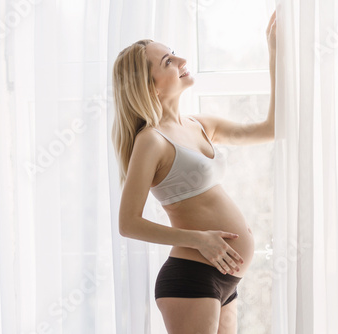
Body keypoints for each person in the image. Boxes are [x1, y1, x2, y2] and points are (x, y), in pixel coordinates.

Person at [111, 10, 276, 334]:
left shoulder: (200, 125)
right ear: (151, 87)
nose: (182, 59)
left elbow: (272, 128)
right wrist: (199, 239)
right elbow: (128, 224)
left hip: (225, 276)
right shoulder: (151, 141)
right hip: (191, 277)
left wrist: (274, 54)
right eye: (169, 61)